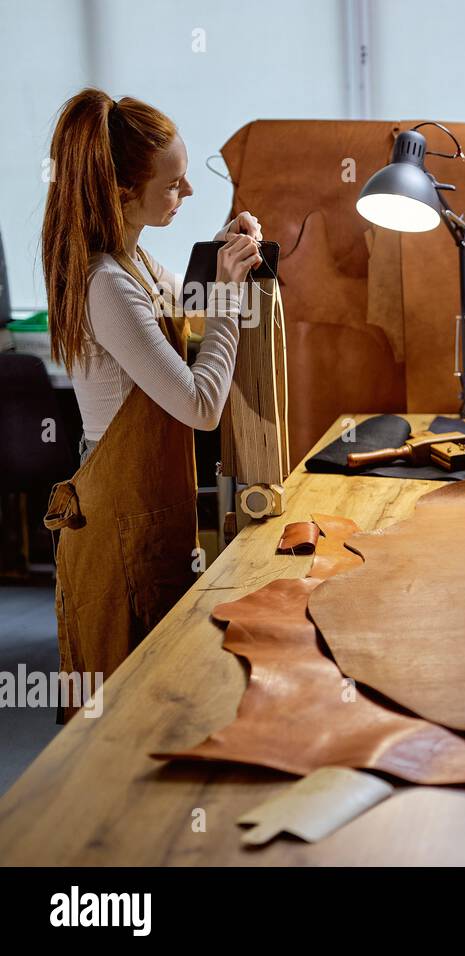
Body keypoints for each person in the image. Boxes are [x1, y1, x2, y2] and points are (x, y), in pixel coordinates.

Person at [40, 88, 263, 702]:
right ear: (120, 194)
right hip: (117, 528)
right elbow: (200, 404)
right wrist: (231, 296)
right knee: (126, 722)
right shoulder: (106, 285)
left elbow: (185, 307)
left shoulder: (133, 260)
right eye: (173, 184)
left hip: (150, 512)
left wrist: (222, 254)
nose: (186, 193)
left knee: (162, 702)